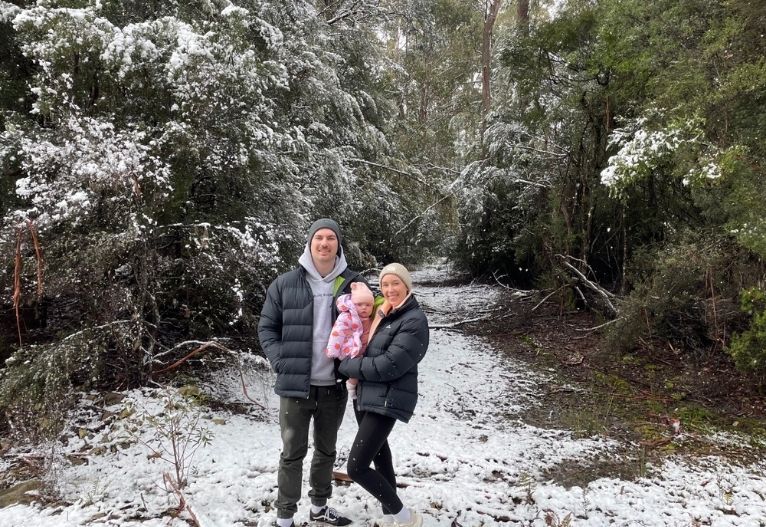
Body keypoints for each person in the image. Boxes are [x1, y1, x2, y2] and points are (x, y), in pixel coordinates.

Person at [258, 218, 366, 527]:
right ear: (309, 243)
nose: (324, 243)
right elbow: (267, 327)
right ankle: (285, 516)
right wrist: (281, 361)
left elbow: (370, 324)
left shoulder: (353, 284)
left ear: (338, 244)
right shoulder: (285, 283)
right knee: (292, 453)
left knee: (326, 451)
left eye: (331, 237)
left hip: (334, 385)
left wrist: (355, 367)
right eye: (319, 237)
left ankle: (319, 507)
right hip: (296, 386)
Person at [338, 263, 430, 527]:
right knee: (380, 455)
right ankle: (391, 516)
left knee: (356, 467)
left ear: (406, 285)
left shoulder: (414, 320)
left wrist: (346, 366)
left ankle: (407, 518)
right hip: (367, 394)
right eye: (385, 284)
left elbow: (389, 364)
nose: (390, 289)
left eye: (395, 283)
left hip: (388, 398)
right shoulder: (385, 313)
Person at [325, 282, 376, 400]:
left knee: (362, 370)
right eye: (359, 304)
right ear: (353, 305)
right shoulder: (346, 317)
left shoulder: (372, 319)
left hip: (365, 353)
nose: (364, 307)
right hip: (350, 350)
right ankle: (352, 387)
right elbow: (337, 333)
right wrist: (332, 350)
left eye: (368, 305)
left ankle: (354, 386)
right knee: (355, 371)